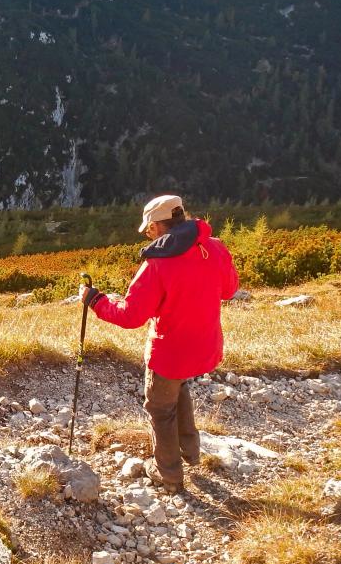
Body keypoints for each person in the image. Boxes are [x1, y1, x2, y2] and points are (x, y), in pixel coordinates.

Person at [79, 195, 239, 491]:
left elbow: (131, 316)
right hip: (205, 344)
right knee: (179, 388)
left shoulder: (157, 264)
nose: (146, 233)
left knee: (159, 407)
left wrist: (96, 300)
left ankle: (168, 473)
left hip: (170, 351)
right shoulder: (214, 247)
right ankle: (190, 453)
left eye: (148, 228)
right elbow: (229, 290)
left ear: (157, 225)